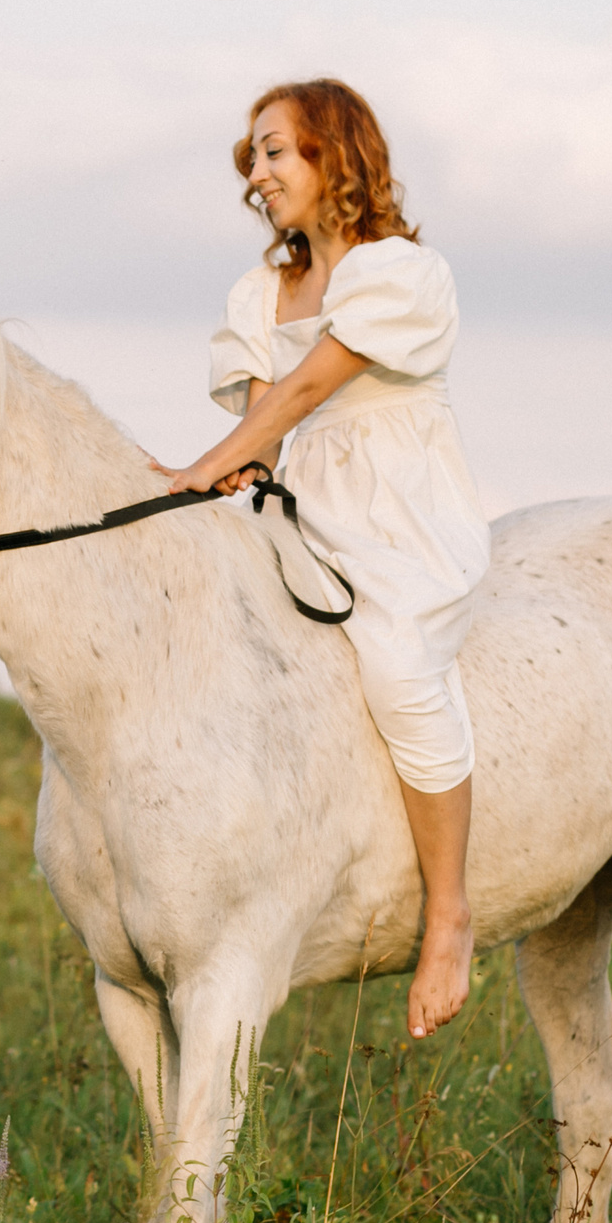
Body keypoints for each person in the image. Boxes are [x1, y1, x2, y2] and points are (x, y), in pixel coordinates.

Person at [160, 80, 490, 1041]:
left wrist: (206, 462)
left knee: (397, 668)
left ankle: (448, 914)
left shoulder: (401, 273)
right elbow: (264, 434)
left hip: (398, 509)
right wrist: (208, 487)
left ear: (333, 155)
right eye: (252, 157)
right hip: (305, 496)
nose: (256, 175)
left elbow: (306, 390)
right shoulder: (258, 293)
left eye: (275, 153)